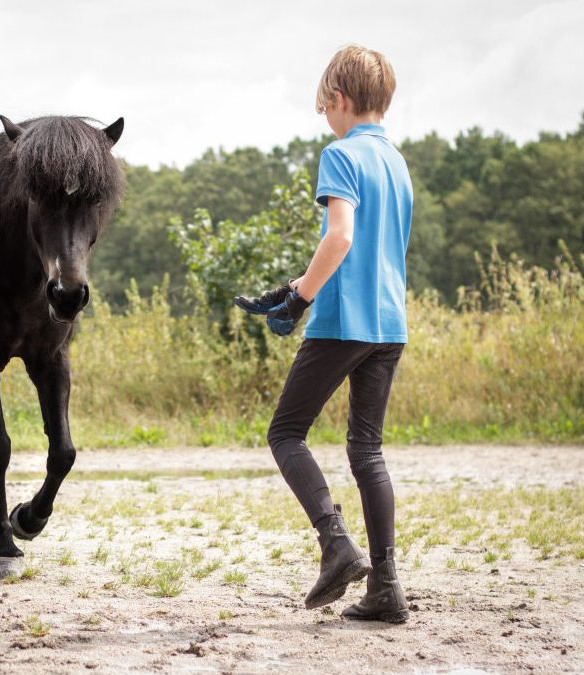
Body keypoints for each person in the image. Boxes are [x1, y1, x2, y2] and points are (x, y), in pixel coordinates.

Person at [235, 44, 412, 623]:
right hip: (389, 323)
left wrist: (301, 300)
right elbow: (373, 247)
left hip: (343, 320)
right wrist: (295, 284)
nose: (326, 119)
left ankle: (336, 545)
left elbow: (340, 237)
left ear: (339, 99)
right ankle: (386, 588)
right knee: (367, 451)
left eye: (324, 108)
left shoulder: (341, 154)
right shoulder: (397, 162)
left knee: (286, 433)